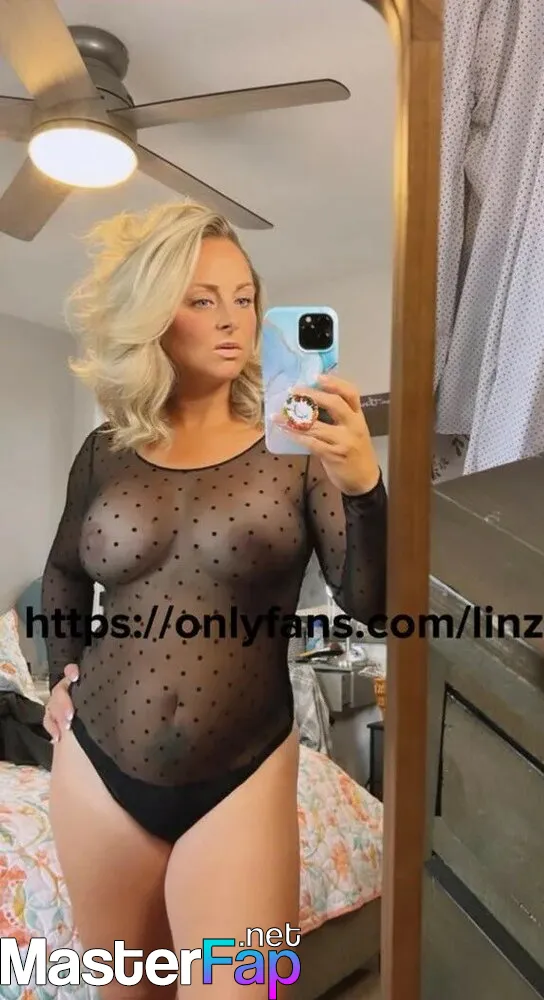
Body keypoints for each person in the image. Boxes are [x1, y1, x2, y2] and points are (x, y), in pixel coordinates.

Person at [41, 200, 387, 999]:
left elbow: (372, 606)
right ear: (155, 316)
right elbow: (62, 572)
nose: (234, 320)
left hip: (243, 778)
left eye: (245, 297)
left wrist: (364, 487)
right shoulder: (104, 452)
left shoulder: (297, 449)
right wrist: (61, 673)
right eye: (203, 300)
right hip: (96, 770)